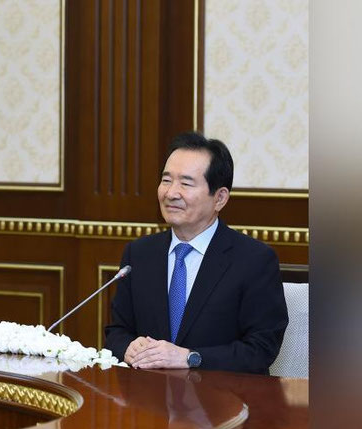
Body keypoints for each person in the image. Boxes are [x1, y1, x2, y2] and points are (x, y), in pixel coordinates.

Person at [104, 132, 288, 374]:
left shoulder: (254, 260)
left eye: (186, 183)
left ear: (219, 198)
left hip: (222, 394)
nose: (171, 193)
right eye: (166, 180)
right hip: (148, 392)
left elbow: (261, 349)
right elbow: (116, 332)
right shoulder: (139, 254)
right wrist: (127, 347)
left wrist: (191, 357)